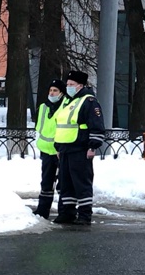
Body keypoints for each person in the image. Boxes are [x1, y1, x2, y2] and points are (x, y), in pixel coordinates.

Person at [52, 69, 107, 226]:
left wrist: (93, 146)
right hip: (66, 149)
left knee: (81, 183)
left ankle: (84, 215)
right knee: (65, 182)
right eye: (67, 84)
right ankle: (67, 213)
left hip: (80, 148)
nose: (68, 87)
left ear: (80, 85)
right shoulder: (69, 101)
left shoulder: (88, 101)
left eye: (71, 84)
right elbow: (61, 126)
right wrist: (58, 147)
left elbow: (96, 125)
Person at [33, 79, 64, 218]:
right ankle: (42, 210)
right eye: (50, 90)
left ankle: (64, 212)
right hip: (46, 150)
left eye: (55, 90)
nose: (52, 93)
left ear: (61, 93)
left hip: (60, 151)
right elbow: (40, 128)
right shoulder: (43, 107)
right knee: (46, 182)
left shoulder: (65, 107)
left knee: (62, 184)